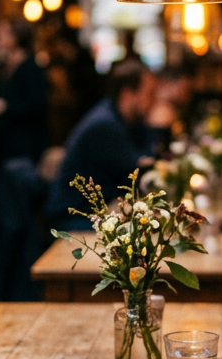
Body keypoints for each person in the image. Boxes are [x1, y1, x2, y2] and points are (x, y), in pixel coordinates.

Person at [46, 59, 163, 231]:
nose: (154, 102)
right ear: (128, 94)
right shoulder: (105, 125)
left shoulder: (118, 118)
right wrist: (157, 129)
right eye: (150, 93)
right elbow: (137, 175)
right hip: (73, 220)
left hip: (95, 213)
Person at [0, 19, 49, 163]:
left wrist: (5, 107)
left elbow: (37, 104)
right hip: (7, 140)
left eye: (3, 32)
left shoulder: (31, 67)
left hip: (26, 143)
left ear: (17, 37)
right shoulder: (4, 65)